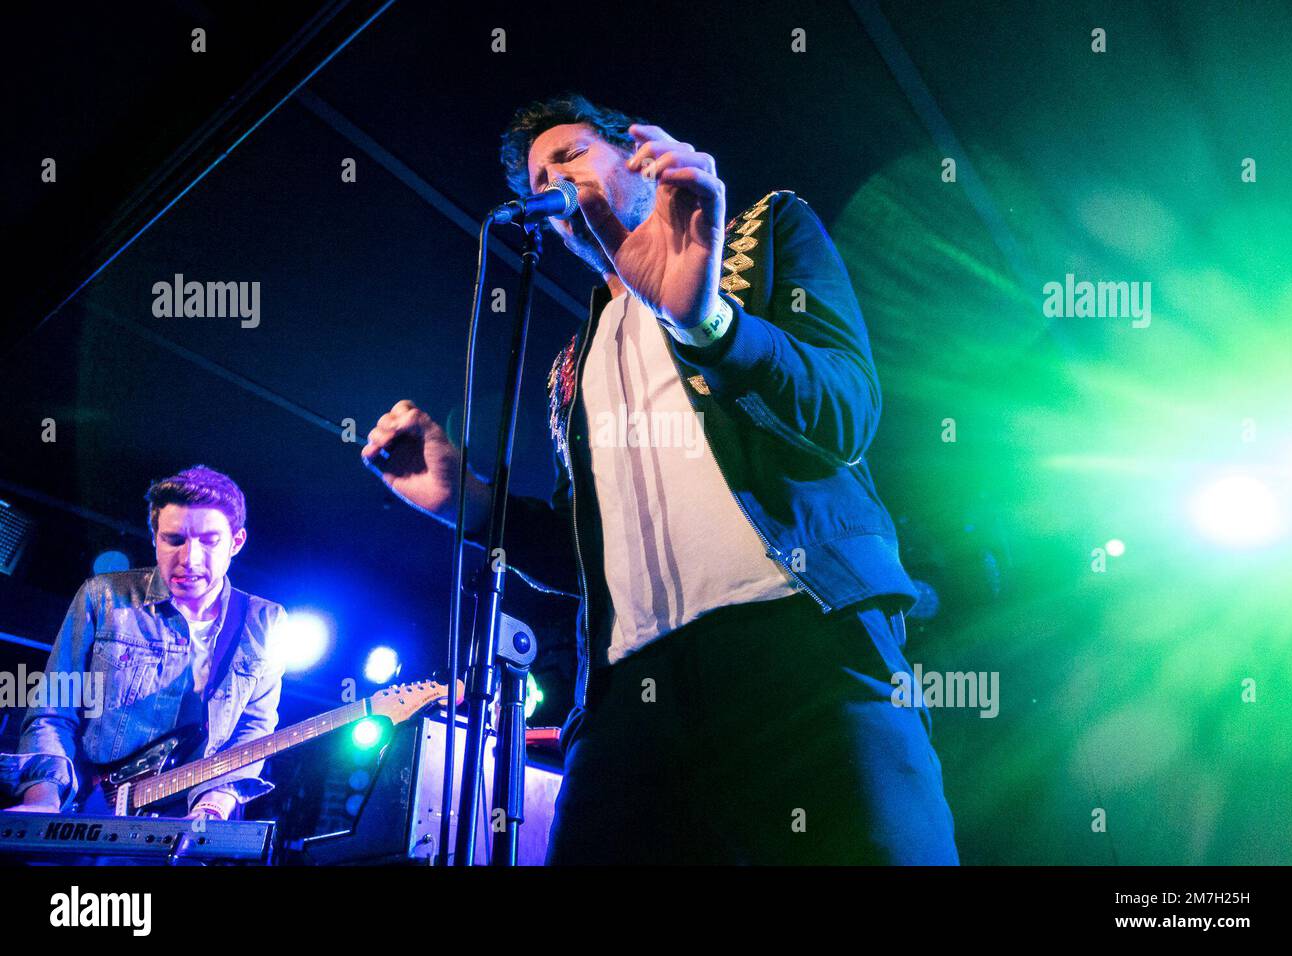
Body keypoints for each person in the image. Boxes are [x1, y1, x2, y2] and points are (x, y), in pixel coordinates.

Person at [363, 93, 958, 864]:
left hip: (800, 645)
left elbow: (844, 411)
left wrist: (707, 320)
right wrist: (469, 507)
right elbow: (586, 556)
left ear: (636, 156)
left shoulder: (761, 234)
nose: (553, 183)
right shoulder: (570, 367)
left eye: (570, 156)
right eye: (536, 180)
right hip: (627, 696)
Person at [2, 465, 285, 821]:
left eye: (210, 541)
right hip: (83, 807)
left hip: (185, 817)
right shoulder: (103, 597)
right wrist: (43, 799)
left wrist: (214, 806)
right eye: (174, 540)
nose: (189, 559)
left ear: (236, 542)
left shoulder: (264, 622)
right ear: (154, 537)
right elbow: (54, 709)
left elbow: (253, 731)